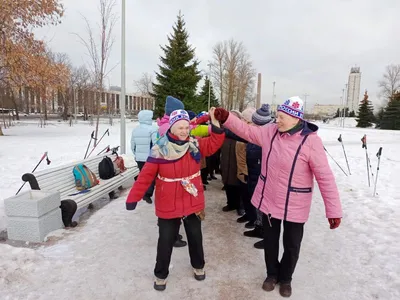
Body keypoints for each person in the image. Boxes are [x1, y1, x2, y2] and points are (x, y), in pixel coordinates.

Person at [213, 97, 343, 298]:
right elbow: (247, 131)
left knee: (292, 245)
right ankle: (271, 274)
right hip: (270, 198)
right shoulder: (270, 132)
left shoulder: (311, 142)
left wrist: (333, 211)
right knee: (271, 241)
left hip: (295, 203)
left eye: (282, 117)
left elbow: (325, 177)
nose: (277, 121)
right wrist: (228, 118)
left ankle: (286, 278)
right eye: (277, 116)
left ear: (295, 118)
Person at [125, 108, 225, 291]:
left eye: (187, 127)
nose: (185, 131)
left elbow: (214, 144)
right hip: (168, 201)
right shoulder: (159, 150)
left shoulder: (195, 144)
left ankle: (198, 266)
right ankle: (161, 274)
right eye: (180, 127)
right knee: (165, 239)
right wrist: (134, 197)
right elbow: (145, 176)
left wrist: (216, 125)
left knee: (195, 236)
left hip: (191, 198)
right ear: (171, 127)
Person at [131, 110, 158, 203]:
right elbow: (156, 144)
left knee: (143, 175)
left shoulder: (135, 130)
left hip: (139, 158)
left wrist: (136, 154)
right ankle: (147, 194)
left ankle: (143, 191)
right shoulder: (153, 129)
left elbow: (132, 145)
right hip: (150, 158)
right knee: (151, 176)